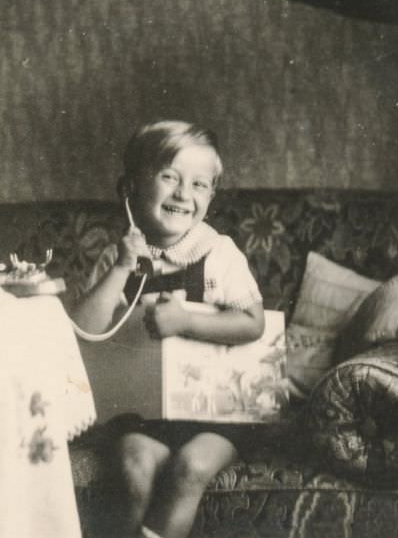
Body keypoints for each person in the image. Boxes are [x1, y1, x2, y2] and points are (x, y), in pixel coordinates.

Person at [70, 120, 265, 538]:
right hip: (142, 416)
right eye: (168, 178)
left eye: (199, 184)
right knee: (135, 466)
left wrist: (188, 321)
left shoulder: (219, 253)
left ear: (212, 195)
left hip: (215, 417)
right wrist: (122, 266)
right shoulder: (117, 257)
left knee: (190, 467)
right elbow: (84, 331)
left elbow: (253, 323)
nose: (183, 194)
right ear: (131, 189)